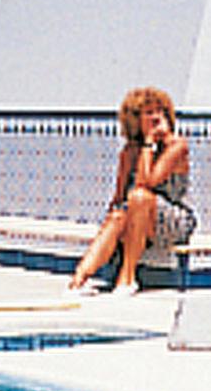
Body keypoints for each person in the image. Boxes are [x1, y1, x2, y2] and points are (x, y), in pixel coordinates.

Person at [67, 86, 195, 295]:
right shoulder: (129, 152)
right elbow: (118, 195)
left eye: (159, 112)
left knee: (139, 197)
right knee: (119, 213)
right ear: (136, 119)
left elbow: (147, 182)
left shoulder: (176, 146)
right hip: (138, 213)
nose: (155, 117)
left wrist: (150, 144)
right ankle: (79, 279)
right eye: (148, 113)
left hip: (176, 220)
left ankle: (127, 278)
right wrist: (116, 221)